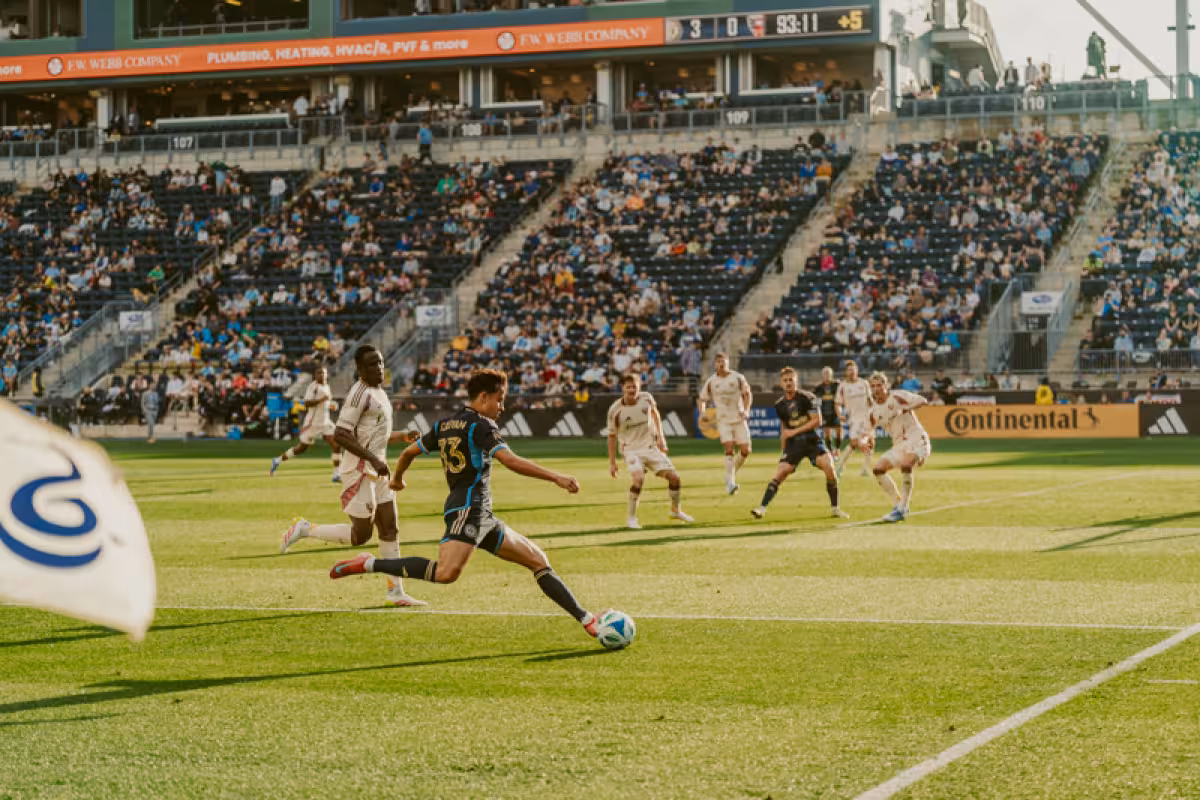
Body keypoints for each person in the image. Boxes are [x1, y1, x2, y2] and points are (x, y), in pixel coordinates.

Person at [328, 369, 609, 643]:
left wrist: (398, 479)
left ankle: (587, 620)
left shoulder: (445, 424)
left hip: (481, 514)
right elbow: (510, 460)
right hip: (467, 510)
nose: (502, 406)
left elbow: (408, 452)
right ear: (484, 397)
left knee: (538, 561)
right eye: (500, 399)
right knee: (445, 573)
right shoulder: (481, 425)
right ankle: (370, 563)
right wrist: (556, 477)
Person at [279, 345, 424, 607]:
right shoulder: (358, 396)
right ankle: (305, 529)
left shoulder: (378, 392)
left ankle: (396, 591)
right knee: (361, 536)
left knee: (390, 528)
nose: (378, 368)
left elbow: (371, 435)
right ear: (359, 370)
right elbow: (341, 435)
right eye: (371, 365)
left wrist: (400, 435)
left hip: (377, 468)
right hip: (358, 470)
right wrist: (371, 459)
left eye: (380, 363)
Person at [752, 367, 848, 520]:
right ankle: (761, 508)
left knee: (830, 468)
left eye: (791, 380)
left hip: (812, 441)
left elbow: (818, 421)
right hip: (794, 445)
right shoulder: (779, 405)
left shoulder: (809, 397)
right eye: (786, 380)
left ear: (797, 381)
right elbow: (784, 429)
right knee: (780, 473)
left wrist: (794, 432)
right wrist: (783, 451)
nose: (789, 383)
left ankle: (835, 508)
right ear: (781, 383)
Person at [607, 373, 694, 530]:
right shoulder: (615, 410)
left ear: (639, 387)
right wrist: (612, 463)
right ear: (623, 389)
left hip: (650, 447)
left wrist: (661, 437)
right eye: (628, 387)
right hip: (631, 450)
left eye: (635, 386)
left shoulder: (646, 398)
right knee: (638, 479)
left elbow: (655, 414)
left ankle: (676, 511)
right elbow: (611, 436)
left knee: (675, 479)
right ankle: (631, 519)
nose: (632, 390)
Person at [867, 371, 931, 523]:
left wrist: (906, 408)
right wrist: (866, 441)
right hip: (899, 445)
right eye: (873, 386)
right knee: (878, 470)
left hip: (917, 439)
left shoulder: (897, 396)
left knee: (906, 465)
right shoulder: (874, 410)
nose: (876, 389)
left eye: (879, 385)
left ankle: (902, 508)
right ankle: (898, 504)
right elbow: (870, 429)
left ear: (886, 386)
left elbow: (923, 400)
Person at [270, 366, 343, 482]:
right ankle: (277, 460)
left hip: (325, 422)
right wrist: (322, 400)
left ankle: (336, 474)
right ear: (315, 375)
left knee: (337, 445)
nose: (322, 375)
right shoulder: (313, 387)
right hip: (312, 423)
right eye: (319, 373)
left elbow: (324, 403)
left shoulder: (327, 386)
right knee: (301, 448)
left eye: (324, 373)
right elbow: (307, 403)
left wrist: (330, 405)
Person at [697, 353, 753, 495]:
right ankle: (730, 484)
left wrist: (746, 410)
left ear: (728, 363)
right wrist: (703, 413)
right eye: (718, 362)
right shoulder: (711, 381)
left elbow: (747, 394)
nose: (721, 364)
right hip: (723, 420)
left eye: (723, 361)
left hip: (739, 418)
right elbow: (702, 399)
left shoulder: (738, 377)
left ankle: (729, 475)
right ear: (715, 364)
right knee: (729, 449)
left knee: (746, 451)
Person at [835, 360, 874, 477]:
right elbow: (837, 403)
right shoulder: (843, 386)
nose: (852, 372)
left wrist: (874, 414)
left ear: (857, 371)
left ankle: (865, 470)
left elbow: (870, 400)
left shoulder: (864, 383)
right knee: (853, 444)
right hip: (854, 419)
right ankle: (840, 466)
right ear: (846, 372)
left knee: (871, 442)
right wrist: (840, 414)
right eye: (849, 370)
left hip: (867, 418)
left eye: (853, 369)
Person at [813, 366, 841, 459]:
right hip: (825, 413)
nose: (826, 375)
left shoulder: (837, 385)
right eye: (825, 374)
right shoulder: (818, 388)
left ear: (831, 375)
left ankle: (837, 449)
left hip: (836, 412)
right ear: (822, 375)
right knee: (827, 434)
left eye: (828, 373)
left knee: (839, 432)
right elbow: (814, 401)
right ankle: (830, 451)